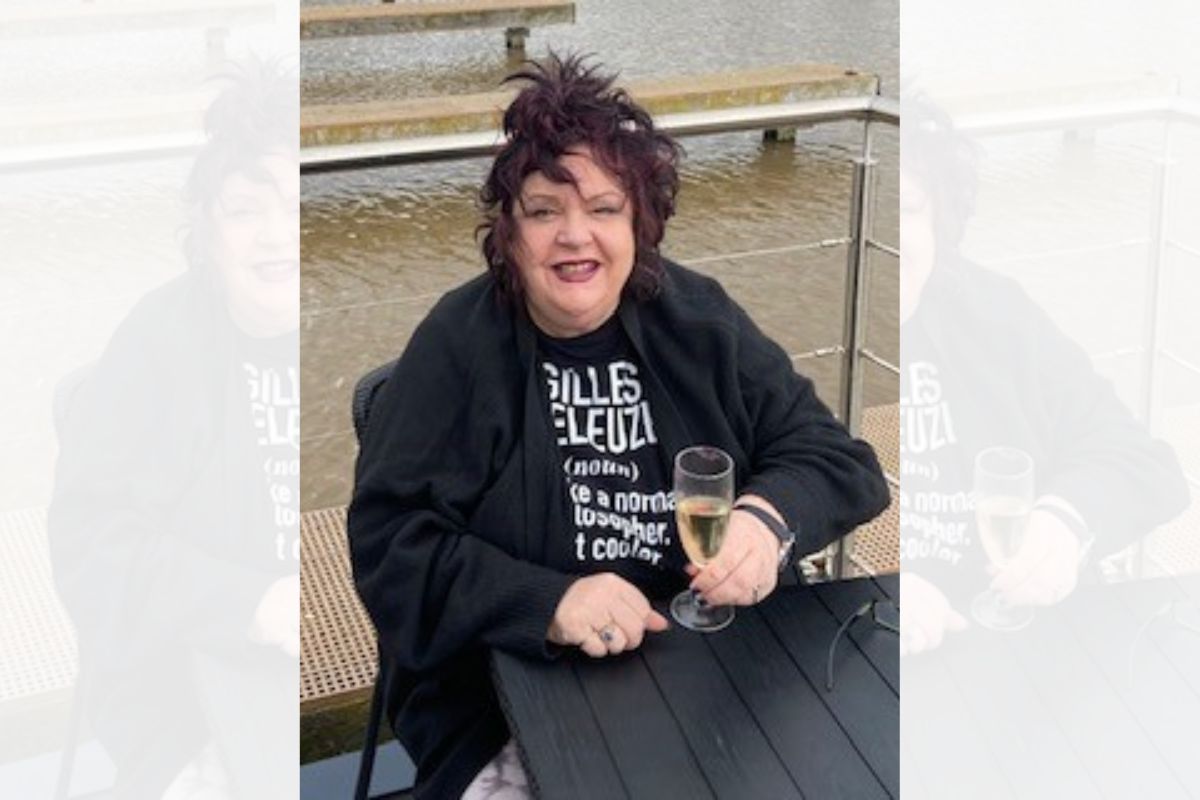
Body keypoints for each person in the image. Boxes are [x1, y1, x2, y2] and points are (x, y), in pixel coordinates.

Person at [347, 53, 890, 800]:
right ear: (508, 233)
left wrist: (767, 521)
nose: (576, 237)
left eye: (604, 208)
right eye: (544, 211)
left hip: (719, 677)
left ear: (640, 221)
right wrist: (547, 602)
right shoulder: (455, 347)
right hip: (512, 695)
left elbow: (836, 458)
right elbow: (390, 548)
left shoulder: (699, 322)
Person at [48, 59, 299, 798]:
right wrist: (253, 604)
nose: (272, 235)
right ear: (208, 230)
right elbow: (90, 548)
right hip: (184, 691)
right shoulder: (156, 346)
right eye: (244, 210)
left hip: (313, 665)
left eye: (290, 205)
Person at [897, 92, 1189, 655]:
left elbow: (1145, 463)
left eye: (908, 210)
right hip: (884, 644)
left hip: (1025, 630)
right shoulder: (800, 346)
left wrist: (1066, 522)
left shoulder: (997, 316)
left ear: (939, 222)